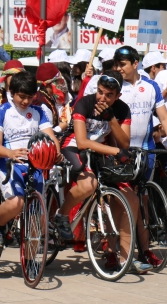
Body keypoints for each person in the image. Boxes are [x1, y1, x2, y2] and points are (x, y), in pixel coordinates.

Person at [106, 46, 167, 269]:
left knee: (142, 205)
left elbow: (164, 117)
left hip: (145, 152)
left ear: (135, 64)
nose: (118, 69)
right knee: (118, 202)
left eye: (122, 65)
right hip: (120, 153)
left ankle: (145, 250)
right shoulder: (114, 87)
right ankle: (111, 251)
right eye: (116, 65)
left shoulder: (151, 86)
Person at [0, 71, 61, 248]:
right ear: (11, 92)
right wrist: (10, 154)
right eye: (21, 96)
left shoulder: (39, 111)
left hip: (35, 164)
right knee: (17, 203)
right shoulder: (1, 111)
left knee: (36, 211)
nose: (26, 101)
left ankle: (31, 263)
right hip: (8, 163)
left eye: (30, 97)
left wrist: (56, 152)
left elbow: (50, 137)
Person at [58, 72, 132, 252]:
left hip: (98, 148)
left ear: (118, 96)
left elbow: (125, 143)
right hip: (73, 146)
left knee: (115, 182)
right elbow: (82, 142)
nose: (102, 98)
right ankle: (61, 215)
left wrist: (111, 118)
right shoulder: (85, 103)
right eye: (100, 92)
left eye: (109, 95)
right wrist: (115, 151)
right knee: (89, 185)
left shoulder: (122, 109)